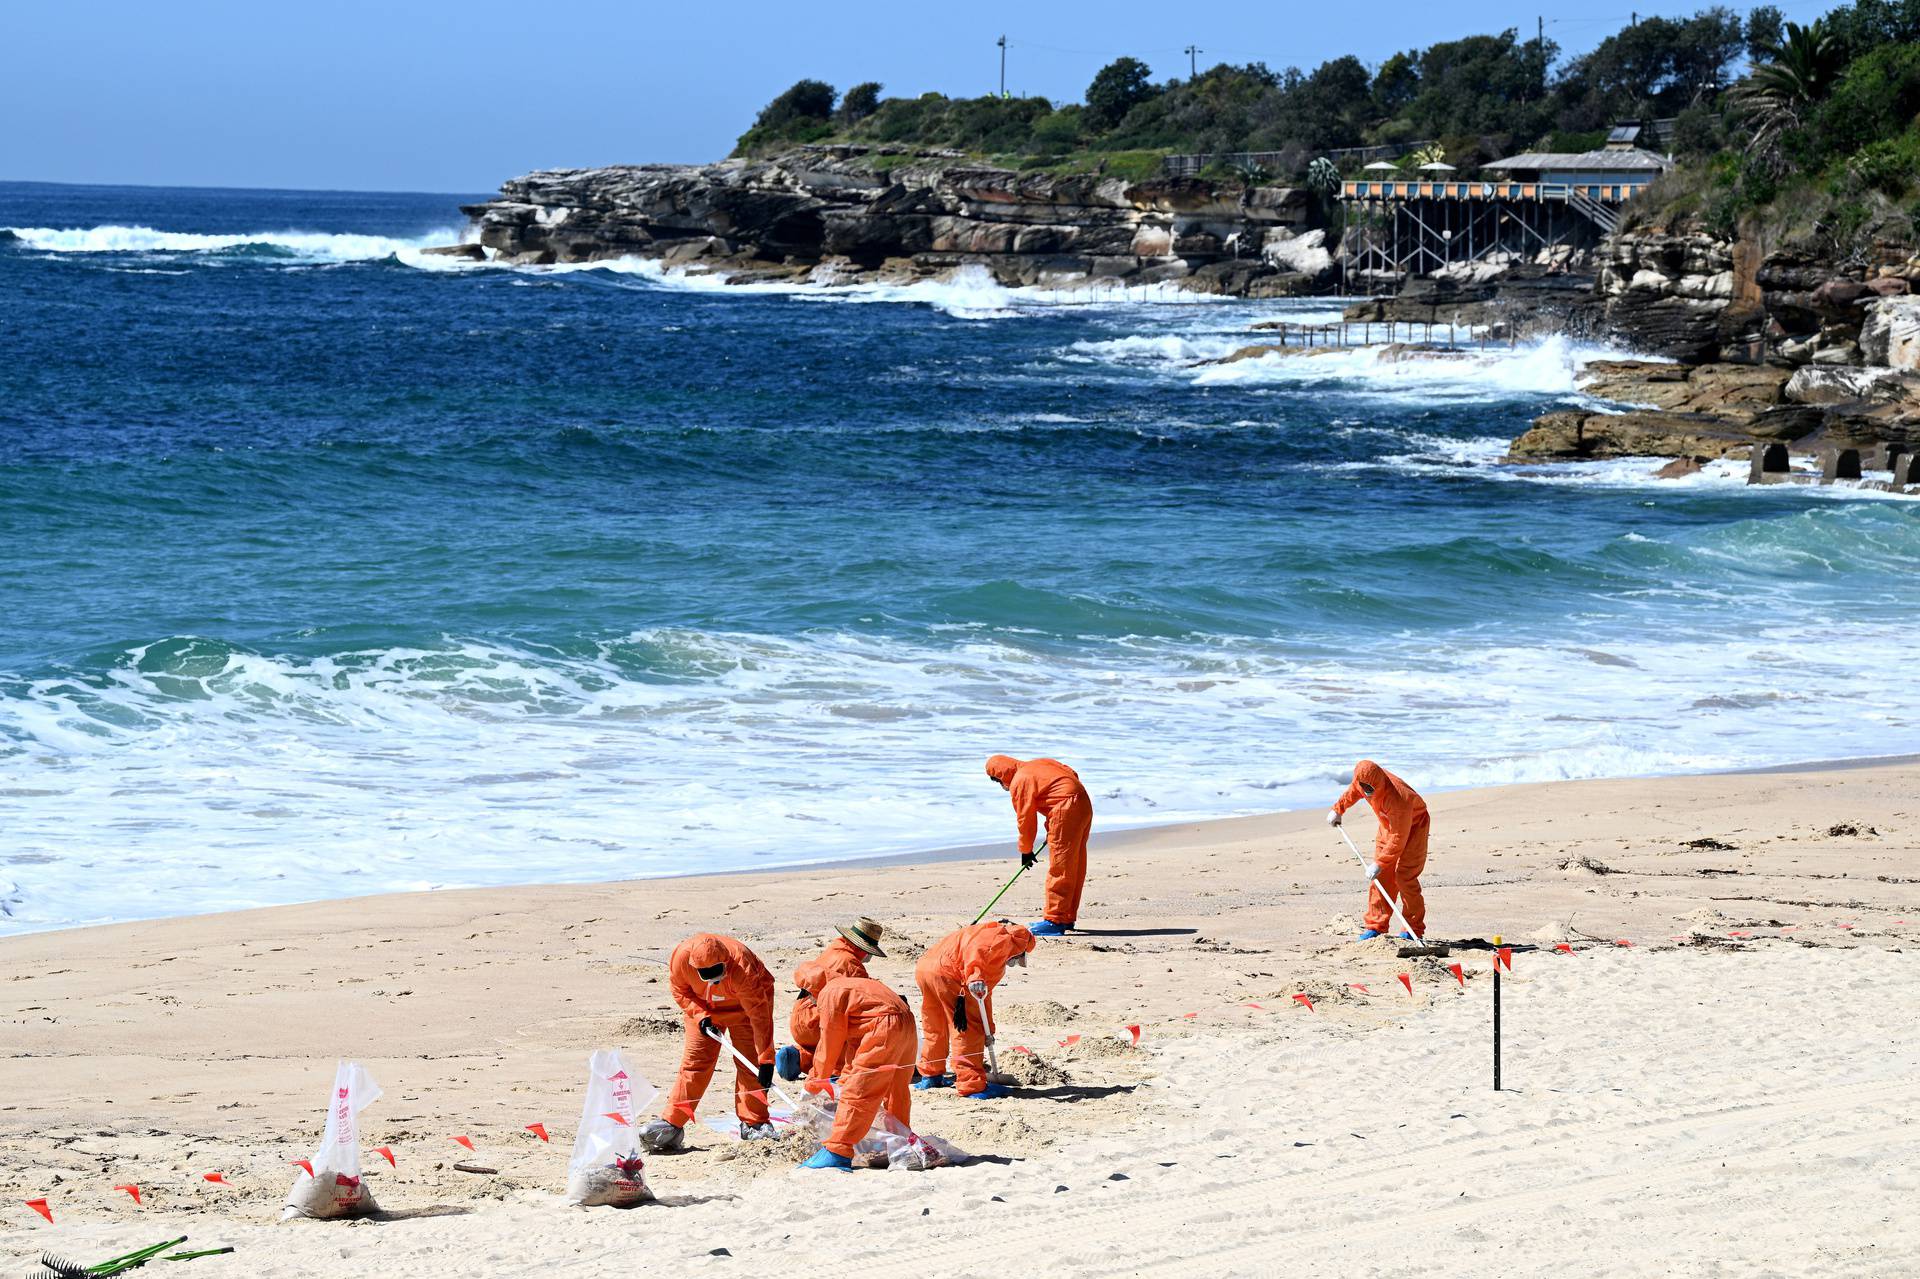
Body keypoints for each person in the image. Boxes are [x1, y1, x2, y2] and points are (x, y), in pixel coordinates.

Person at [640, 932, 779, 1152]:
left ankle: (755, 1123)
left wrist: (767, 1059)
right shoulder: (681, 959)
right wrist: (700, 1016)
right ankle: (672, 1124)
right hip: (703, 1010)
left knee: (750, 1063)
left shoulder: (743, 967)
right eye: (707, 975)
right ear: (695, 968)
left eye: (718, 973)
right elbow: (680, 990)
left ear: (726, 962)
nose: (714, 980)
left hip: (745, 1009)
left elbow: (759, 1016)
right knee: (695, 1064)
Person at [797, 975, 917, 1170]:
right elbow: (855, 1047)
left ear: (812, 992)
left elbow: (828, 1046)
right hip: (906, 1022)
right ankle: (898, 1142)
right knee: (896, 1088)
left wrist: (813, 1083)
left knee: (860, 1090)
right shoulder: (850, 985)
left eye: (808, 997)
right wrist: (843, 1082)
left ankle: (837, 1151)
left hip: (884, 1026)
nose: (810, 1002)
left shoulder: (829, 995)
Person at [913, 920, 1036, 1099]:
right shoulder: (1002, 940)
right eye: (1016, 958)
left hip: (926, 970)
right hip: (950, 975)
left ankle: (931, 1075)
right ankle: (971, 1084)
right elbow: (977, 951)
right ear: (1019, 949)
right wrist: (975, 976)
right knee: (967, 1029)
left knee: (935, 1024)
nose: (1012, 962)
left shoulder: (984, 931)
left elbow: (984, 996)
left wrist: (990, 1029)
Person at [985, 754, 1093, 936]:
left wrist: (1026, 851)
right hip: (1082, 802)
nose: (1003, 787)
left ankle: (1054, 920)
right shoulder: (1038, 763)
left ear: (1001, 776)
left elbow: (1025, 819)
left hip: (1066, 809)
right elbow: (1070, 774)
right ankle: (1066, 917)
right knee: (1075, 864)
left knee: (1061, 867)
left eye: (998, 782)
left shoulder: (1020, 780)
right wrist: (1054, 824)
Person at [1327, 759, 1431, 942]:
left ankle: (1412, 929)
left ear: (1379, 782)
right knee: (1381, 879)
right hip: (1387, 825)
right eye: (1363, 786)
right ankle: (1376, 926)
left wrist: (1379, 863)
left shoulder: (1399, 798)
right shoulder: (1362, 782)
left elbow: (1398, 838)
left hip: (1414, 827)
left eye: (1370, 788)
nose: (1367, 791)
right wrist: (1338, 809)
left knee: (1405, 877)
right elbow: (1353, 791)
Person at [779, 917, 887, 1081]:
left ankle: (798, 1057)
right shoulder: (850, 964)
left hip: (800, 1018)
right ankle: (835, 1071)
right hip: (818, 1023)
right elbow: (865, 996)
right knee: (851, 1038)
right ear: (862, 948)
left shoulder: (833, 951)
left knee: (815, 1048)